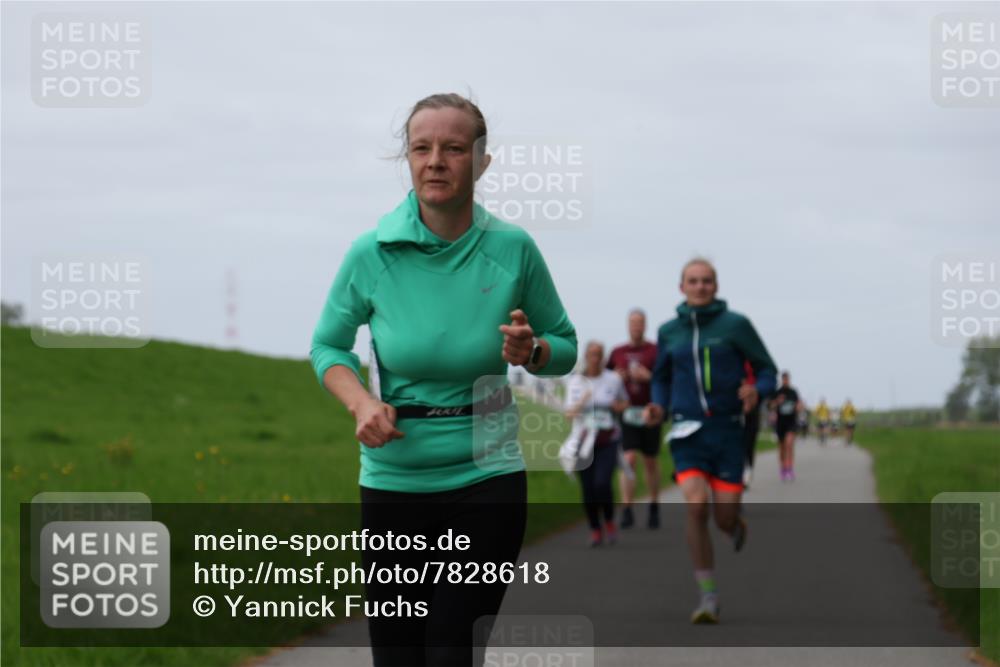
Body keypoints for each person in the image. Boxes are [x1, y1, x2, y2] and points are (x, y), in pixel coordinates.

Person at [310, 93, 577, 667]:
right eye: (421, 148)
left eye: (453, 148)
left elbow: (566, 347)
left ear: (481, 162)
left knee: (451, 648)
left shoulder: (513, 249)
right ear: (406, 159)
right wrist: (360, 403)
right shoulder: (371, 253)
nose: (436, 161)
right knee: (399, 656)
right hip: (394, 480)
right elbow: (327, 345)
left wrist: (532, 351)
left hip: (487, 473)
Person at [644, 258, 777, 624]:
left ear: (716, 286)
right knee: (696, 506)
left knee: (722, 518)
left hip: (729, 433)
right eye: (693, 281)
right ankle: (708, 597)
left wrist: (757, 390)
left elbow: (768, 370)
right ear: (681, 287)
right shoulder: (669, 331)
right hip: (687, 433)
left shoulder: (736, 326)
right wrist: (658, 404)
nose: (700, 287)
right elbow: (661, 377)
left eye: (706, 281)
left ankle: (736, 524)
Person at [565, 341, 630, 546]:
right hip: (583, 442)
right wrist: (582, 401)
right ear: (586, 356)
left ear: (603, 358)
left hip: (607, 439)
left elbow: (625, 402)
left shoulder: (613, 380)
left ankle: (609, 522)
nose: (595, 358)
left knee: (602, 483)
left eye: (599, 354)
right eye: (592, 354)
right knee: (588, 489)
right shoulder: (575, 381)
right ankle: (595, 528)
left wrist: (617, 406)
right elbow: (568, 414)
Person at [606, 309, 663, 528]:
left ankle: (654, 505)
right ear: (628, 325)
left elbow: (665, 378)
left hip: (650, 412)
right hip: (627, 412)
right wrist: (615, 377)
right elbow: (604, 379)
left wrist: (649, 377)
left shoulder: (655, 351)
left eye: (640, 323)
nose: (636, 327)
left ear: (645, 325)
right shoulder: (618, 352)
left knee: (650, 461)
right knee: (628, 459)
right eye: (633, 323)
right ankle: (627, 508)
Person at [770, 372, 803, 482]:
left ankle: (790, 468)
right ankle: (783, 469)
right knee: (782, 447)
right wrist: (777, 402)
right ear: (781, 380)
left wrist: (799, 407)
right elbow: (770, 406)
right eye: (784, 379)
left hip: (791, 422)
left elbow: (799, 404)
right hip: (780, 423)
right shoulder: (778, 392)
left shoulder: (793, 392)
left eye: (787, 379)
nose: (786, 381)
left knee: (789, 444)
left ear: (789, 379)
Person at [740, 360, 761, 488]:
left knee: (749, 443)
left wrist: (753, 394)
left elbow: (765, 379)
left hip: (753, 406)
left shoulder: (753, 360)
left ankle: (748, 470)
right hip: (734, 405)